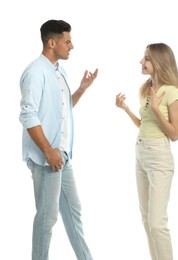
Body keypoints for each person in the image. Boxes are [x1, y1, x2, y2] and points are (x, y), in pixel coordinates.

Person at [19, 19, 98, 260]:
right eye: (67, 41)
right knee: (47, 217)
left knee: (74, 212)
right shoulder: (35, 72)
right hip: (45, 158)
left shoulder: (59, 71)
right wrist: (48, 151)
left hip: (62, 155)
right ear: (51, 43)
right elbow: (27, 114)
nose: (72, 46)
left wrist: (82, 89)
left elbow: (64, 110)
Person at [115, 43, 178, 260]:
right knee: (146, 219)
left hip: (159, 157)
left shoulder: (172, 93)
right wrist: (126, 110)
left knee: (157, 222)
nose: (141, 62)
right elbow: (145, 124)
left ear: (159, 62)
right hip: (141, 153)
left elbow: (174, 134)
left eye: (146, 58)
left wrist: (156, 109)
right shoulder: (146, 89)